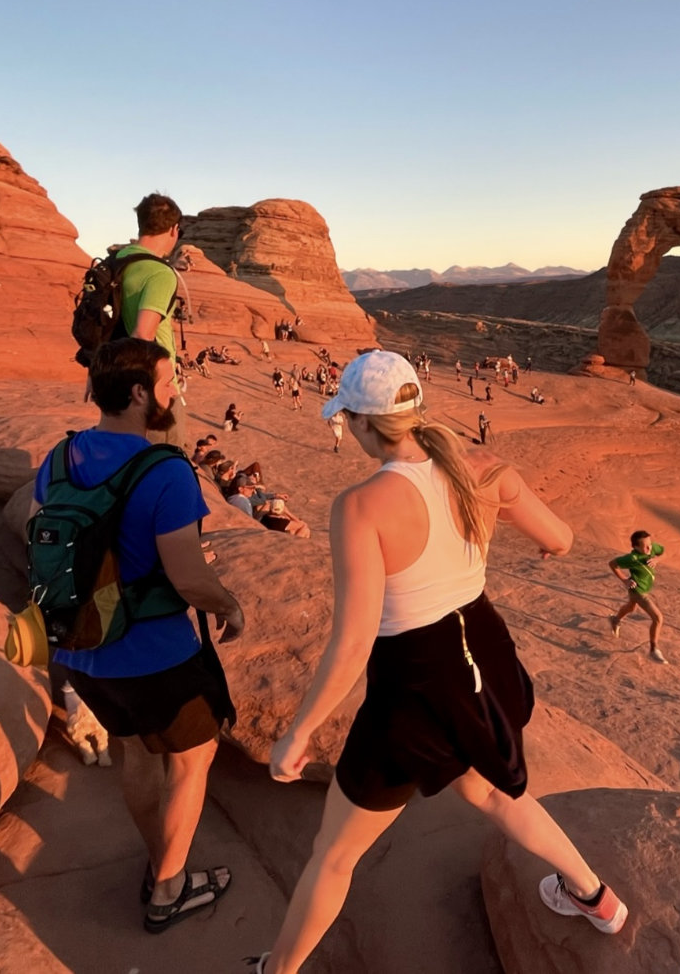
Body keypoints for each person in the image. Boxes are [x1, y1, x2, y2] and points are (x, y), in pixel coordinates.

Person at [247, 352, 626, 973]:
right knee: (491, 791)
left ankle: (276, 970)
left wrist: (300, 733)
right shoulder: (483, 468)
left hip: (415, 683)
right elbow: (559, 539)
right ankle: (595, 897)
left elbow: (353, 641)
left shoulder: (362, 505)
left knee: (335, 855)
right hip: (485, 651)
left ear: (365, 425)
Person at [30, 338, 244, 933]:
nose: (177, 390)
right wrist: (229, 604)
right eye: (169, 379)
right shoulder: (165, 470)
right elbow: (188, 577)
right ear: (140, 393)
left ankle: (161, 860)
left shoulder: (62, 458)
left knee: (138, 752)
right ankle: (168, 889)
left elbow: (49, 536)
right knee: (194, 757)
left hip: (85, 652)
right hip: (155, 656)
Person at [116, 195, 188, 449]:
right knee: (164, 457)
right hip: (152, 386)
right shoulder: (160, 273)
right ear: (173, 229)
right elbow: (143, 334)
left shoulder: (117, 261)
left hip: (115, 379)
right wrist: (157, 390)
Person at [608, 530, 667, 664]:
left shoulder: (652, 549)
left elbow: (663, 552)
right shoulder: (632, 558)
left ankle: (615, 620)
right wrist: (624, 580)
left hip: (641, 590)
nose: (649, 548)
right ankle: (654, 650)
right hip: (638, 591)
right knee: (658, 618)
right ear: (635, 547)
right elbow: (612, 564)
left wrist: (658, 559)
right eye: (645, 546)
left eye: (650, 545)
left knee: (631, 607)